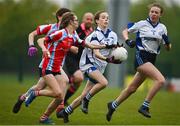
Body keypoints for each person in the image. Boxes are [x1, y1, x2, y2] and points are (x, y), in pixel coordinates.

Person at [23, 12, 117, 124]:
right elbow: (41, 40)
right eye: (76, 20)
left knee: (61, 95)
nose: (78, 21)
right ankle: (34, 93)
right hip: (47, 66)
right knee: (57, 93)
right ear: (71, 22)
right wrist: (43, 48)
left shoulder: (74, 35)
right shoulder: (60, 33)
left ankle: (45, 117)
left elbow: (89, 45)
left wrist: (105, 46)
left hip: (57, 68)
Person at [106, 3, 172, 122]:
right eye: (152, 11)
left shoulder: (162, 28)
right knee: (161, 80)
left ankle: (113, 105)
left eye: (156, 12)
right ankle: (145, 106)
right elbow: (125, 31)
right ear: (149, 12)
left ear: (160, 14)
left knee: (132, 88)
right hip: (141, 56)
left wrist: (167, 43)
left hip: (152, 59)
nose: (153, 14)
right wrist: (127, 40)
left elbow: (168, 48)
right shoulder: (142, 23)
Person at [56, 10, 121, 123]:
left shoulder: (113, 35)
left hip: (100, 66)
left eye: (107, 18)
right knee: (104, 83)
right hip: (88, 63)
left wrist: (119, 51)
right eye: (103, 17)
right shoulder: (94, 35)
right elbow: (96, 53)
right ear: (97, 21)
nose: (106, 19)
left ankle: (66, 112)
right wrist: (108, 59)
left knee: (83, 95)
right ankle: (87, 99)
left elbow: (113, 50)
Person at [12, 8, 71, 125]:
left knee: (39, 86)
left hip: (57, 64)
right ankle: (59, 107)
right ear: (59, 17)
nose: (69, 19)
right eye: (66, 16)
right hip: (48, 63)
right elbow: (32, 34)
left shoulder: (68, 31)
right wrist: (31, 46)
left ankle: (23, 98)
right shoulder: (51, 27)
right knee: (64, 81)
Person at [62, 12, 94, 106]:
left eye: (91, 19)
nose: (89, 21)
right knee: (79, 78)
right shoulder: (77, 29)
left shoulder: (93, 32)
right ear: (83, 20)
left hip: (82, 60)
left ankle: (64, 99)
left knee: (78, 82)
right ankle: (61, 96)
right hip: (71, 57)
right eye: (87, 19)